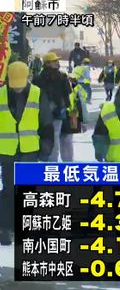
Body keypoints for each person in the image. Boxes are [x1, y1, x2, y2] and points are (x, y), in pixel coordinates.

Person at [0, 62, 54, 245]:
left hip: (30, 150)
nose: (17, 89)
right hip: (6, 152)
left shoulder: (37, 94)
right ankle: (6, 227)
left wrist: (46, 150)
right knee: (8, 190)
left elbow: (46, 123)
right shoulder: (0, 94)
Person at [33, 52, 74, 162]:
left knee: (55, 138)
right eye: (54, 61)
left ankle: (53, 163)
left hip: (51, 112)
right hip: (57, 112)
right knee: (58, 139)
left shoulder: (38, 78)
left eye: (57, 61)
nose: (57, 63)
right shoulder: (60, 77)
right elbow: (68, 92)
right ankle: (58, 164)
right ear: (47, 63)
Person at [65, 69, 90, 135]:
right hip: (66, 114)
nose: (71, 81)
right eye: (70, 79)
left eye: (73, 80)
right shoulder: (65, 87)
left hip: (75, 115)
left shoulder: (79, 88)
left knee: (73, 134)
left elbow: (83, 101)